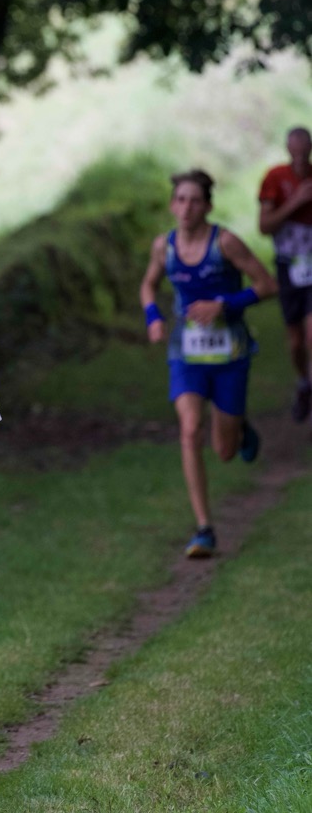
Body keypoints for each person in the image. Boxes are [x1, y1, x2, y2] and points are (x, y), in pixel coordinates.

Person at [140, 170, 276, 558]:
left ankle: (240, 426)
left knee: (225, 451)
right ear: (173, 205)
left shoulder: (225, 243)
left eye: (195, 200)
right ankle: (204, 529)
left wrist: (224, 305)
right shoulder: (164, 247)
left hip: (230, 353)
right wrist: (153, 317)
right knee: (189, 429)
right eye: (181, 199)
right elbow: (149, 285)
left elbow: (267, 285)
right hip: (186, 353)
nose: (187, 208)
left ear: (208, 206)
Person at [258, 127, 312, 422]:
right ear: (288, 149)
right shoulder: (275, 178)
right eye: (296, 151)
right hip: (288, 265)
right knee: (296, 341)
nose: (301, 157)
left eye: (305, 150)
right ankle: (303, 382)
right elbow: (265, 227)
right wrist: (297, 201)